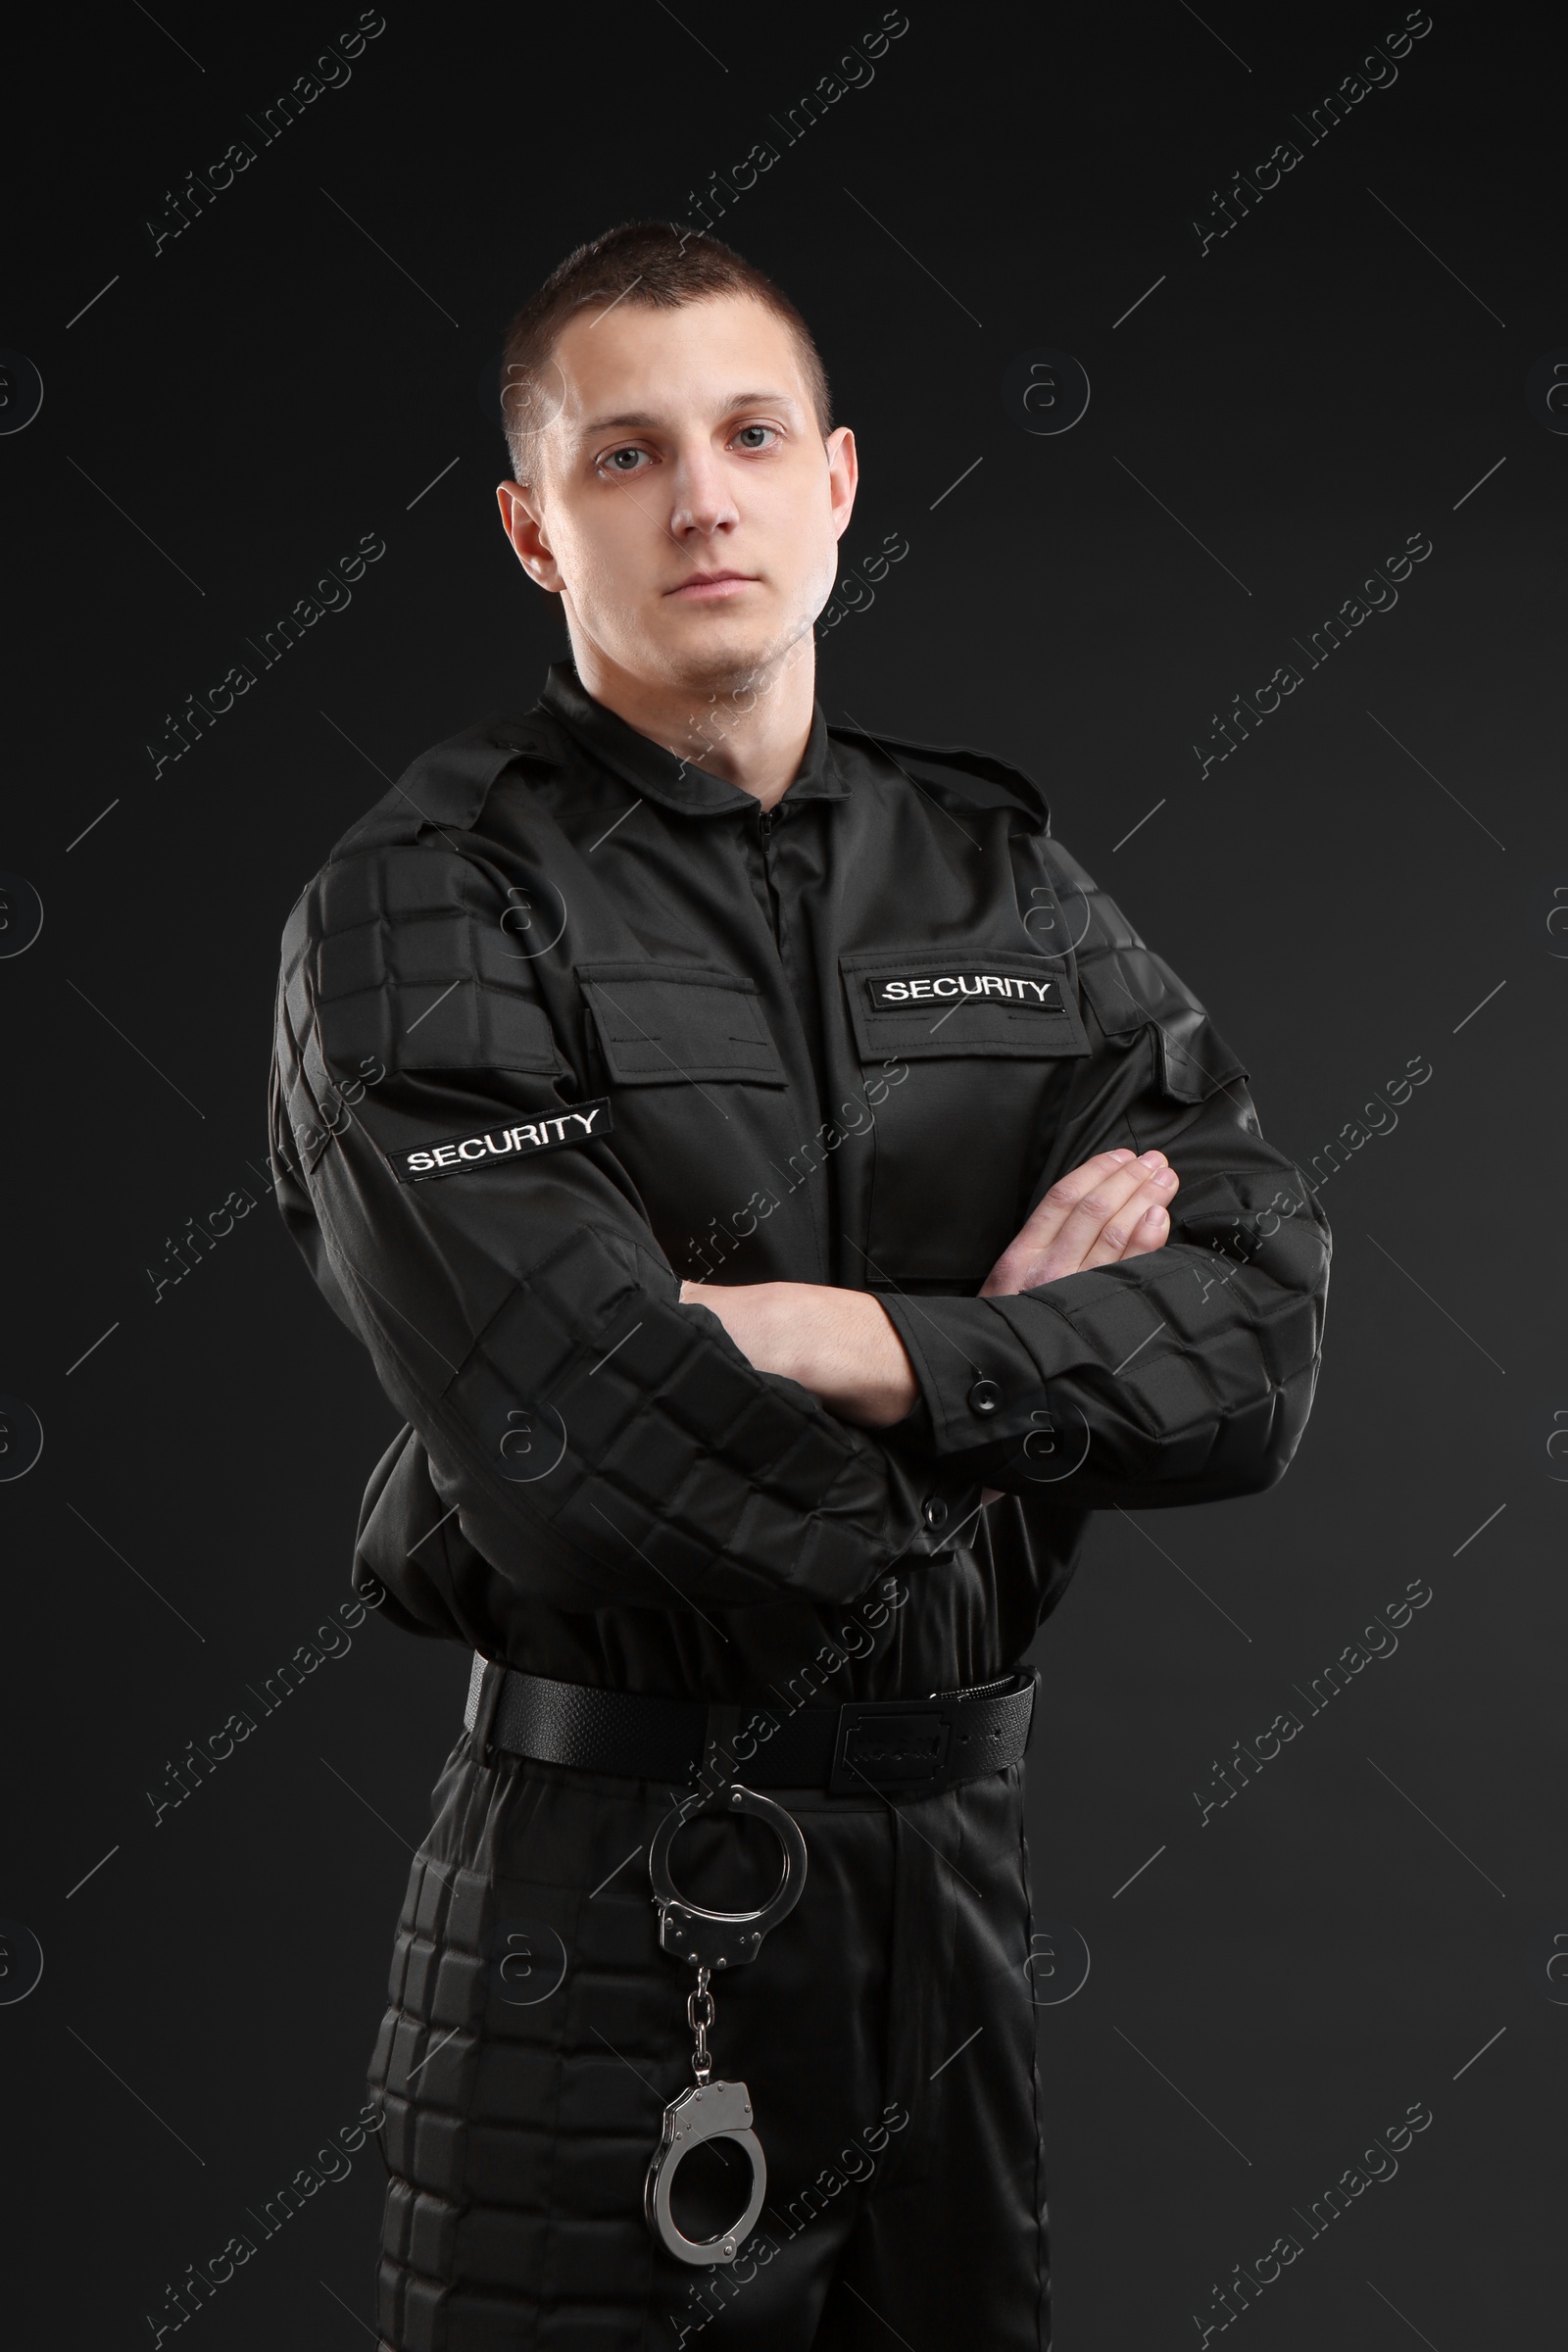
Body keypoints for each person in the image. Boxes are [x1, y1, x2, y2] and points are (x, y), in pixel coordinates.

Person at [269, 220, 1330, 2352]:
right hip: (612, 1906)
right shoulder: (423, 904)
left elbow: (1256, 1341)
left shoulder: (997, 879)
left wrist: (867, 1345)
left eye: (749, 434)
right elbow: (581, 1462)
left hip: (948, 1902)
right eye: (627, 455)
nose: (703, 498)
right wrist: (1024, 1384)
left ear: (835, 481)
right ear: (531, 528)